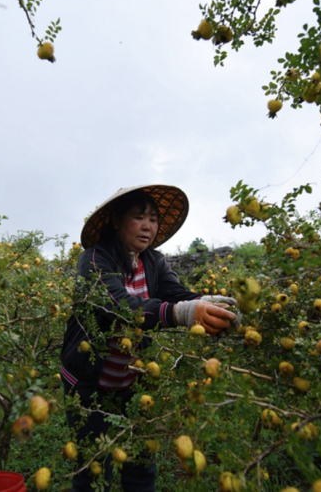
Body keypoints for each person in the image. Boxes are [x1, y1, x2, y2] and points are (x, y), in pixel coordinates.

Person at [59, 185, 238, 492]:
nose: (148, 226)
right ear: (116, 221)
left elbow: (178, 295)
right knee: (94, 470)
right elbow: (117, 305)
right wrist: (182, 314)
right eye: (139, 217)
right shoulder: (93, 259)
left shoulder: (153, 261)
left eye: (153, 219)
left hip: (136, 383)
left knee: (142, 463)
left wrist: (210, 302)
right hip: (90, 385)